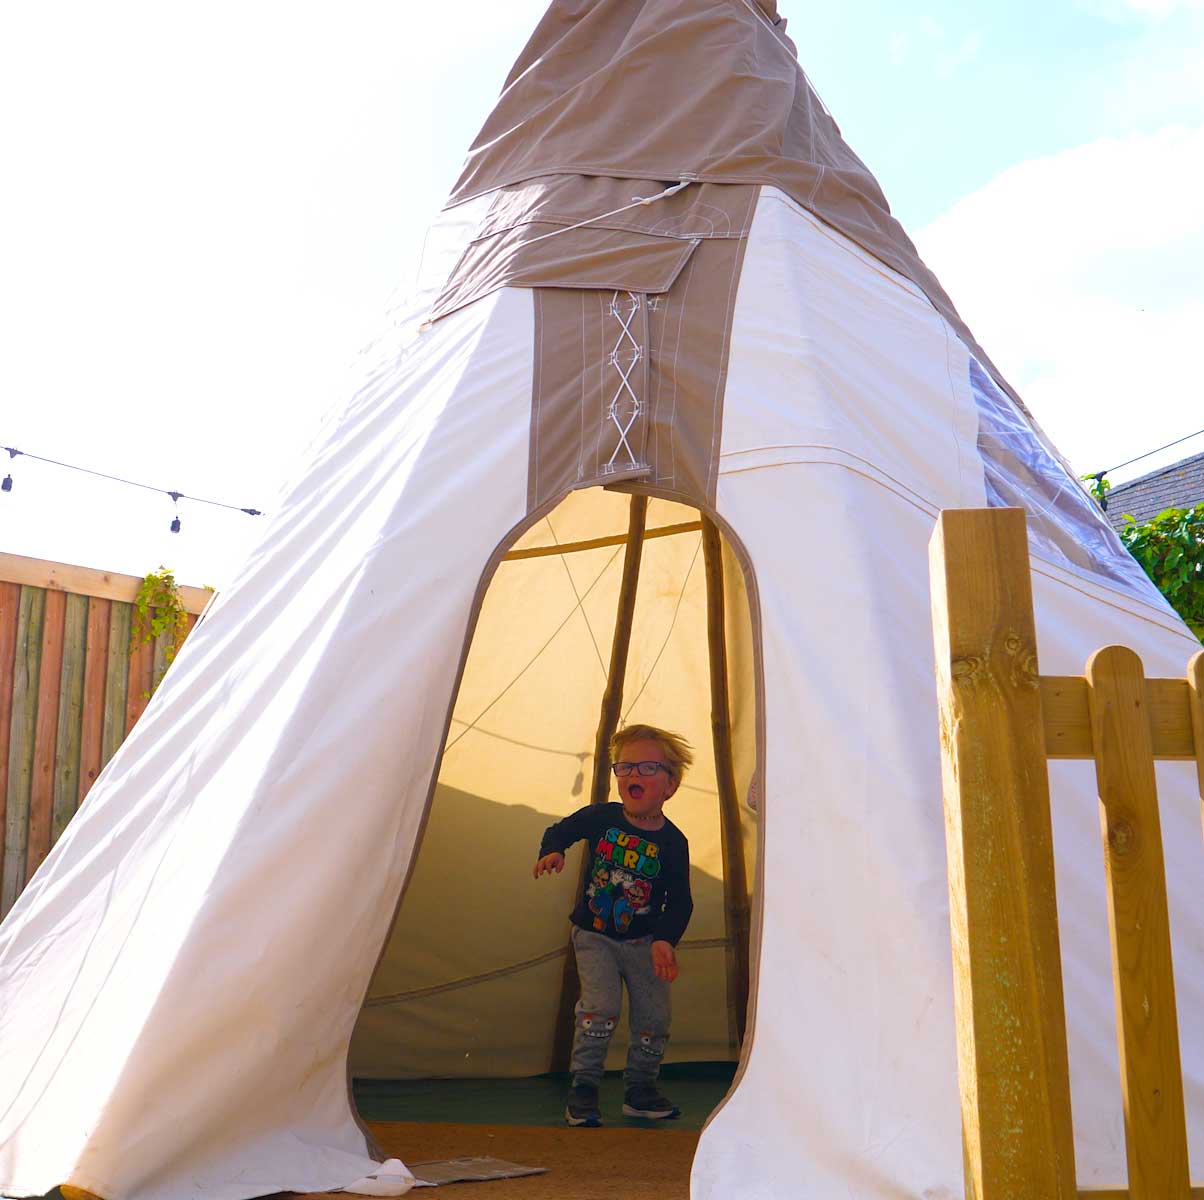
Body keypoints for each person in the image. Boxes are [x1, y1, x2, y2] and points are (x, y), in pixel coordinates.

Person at [533, 723, 694, 1127]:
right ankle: (584, 1088)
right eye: (625, 768)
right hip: (595, 934)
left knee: (654, 1019)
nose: (633, 776)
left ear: (670, 785)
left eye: (647, 768)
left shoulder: (673, 843)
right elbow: (561, 830)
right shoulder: (602, 818)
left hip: (644, 941)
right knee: (600, 1009)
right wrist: (553, 851)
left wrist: (664, 940)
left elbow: (681, 901)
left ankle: (640, 1090)